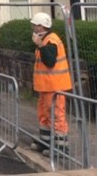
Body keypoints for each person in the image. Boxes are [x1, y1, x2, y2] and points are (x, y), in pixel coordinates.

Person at [30, 12, 72, 155]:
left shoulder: (51, 40)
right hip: (47, 86)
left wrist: (40, 45)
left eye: (34, 25)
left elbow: (50, 61)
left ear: (41, 26)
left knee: (56, 115)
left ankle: (61, 148)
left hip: (55, 86)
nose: (33, 27)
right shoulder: (46, 39)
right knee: (44, 114)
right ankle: (45, 142)